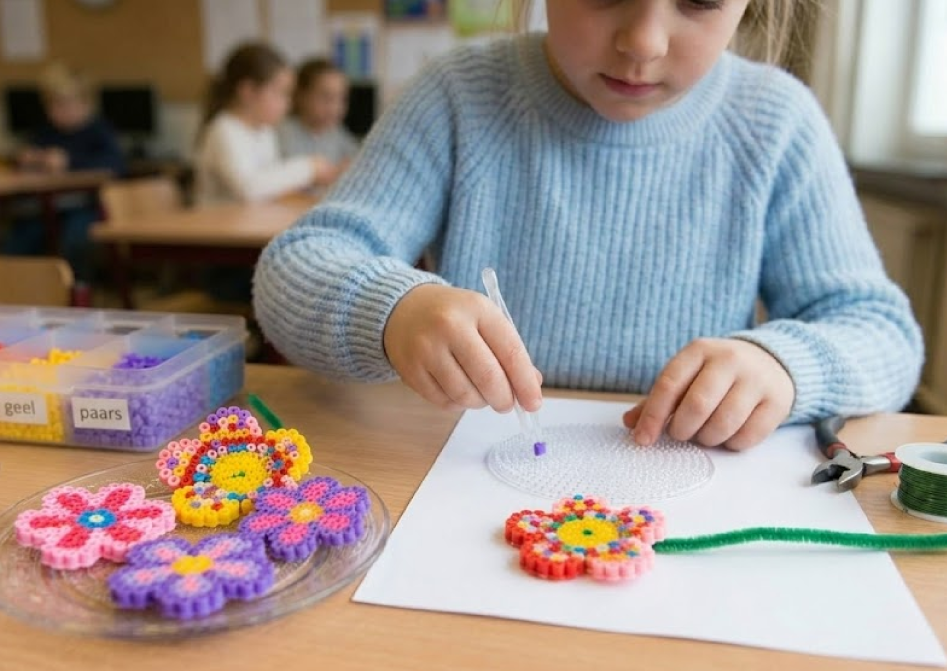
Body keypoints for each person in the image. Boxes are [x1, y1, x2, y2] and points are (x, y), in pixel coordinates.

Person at [253, 0, 923, 451]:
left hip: (684, 499)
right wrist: (393, 310)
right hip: (467, 482)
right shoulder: (460, 93)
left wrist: (784, 364)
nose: (643, 42)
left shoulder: (776, 122)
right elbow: (296, 266)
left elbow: (880, 331)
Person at [5, 62, 125, 283]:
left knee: (75, 240)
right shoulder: (45, 132)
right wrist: (29, 160)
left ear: (87, 103)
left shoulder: (99, 131)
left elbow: (114, 166)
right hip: (46, 207)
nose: (61, 111)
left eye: (67, 104)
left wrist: (70, 161)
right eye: (54, 105)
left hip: (87, 205)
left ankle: (76, 291)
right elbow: (24, 162)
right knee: (17, 242)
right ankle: (19, 290)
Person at [195, 43, 337, 207]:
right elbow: (249, 189)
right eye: (280, 93)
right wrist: (308, 168)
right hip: (218, 228)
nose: (287, 104)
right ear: (247, 91)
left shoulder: (265, 132)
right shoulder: (223, 129)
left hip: (253, 224)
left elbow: (271, 186)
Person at [277, 59, 359, 172]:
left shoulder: (337, 133)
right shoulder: (282, 133)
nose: (335, 108)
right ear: (300, 95)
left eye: (342, 98)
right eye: (326, 97)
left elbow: (358, 161)